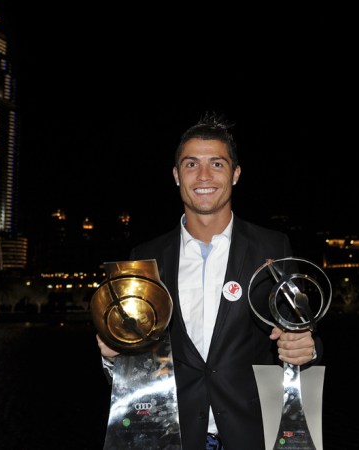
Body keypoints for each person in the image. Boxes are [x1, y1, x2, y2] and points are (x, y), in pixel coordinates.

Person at [96, 111, 322, 450]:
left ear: (235, 174)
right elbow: (137, 368)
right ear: (176, 175)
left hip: (252, 436)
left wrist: (309, 347)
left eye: (217, 164)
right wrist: (114, 356)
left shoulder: (272, 247)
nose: (204, 175)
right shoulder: (144, 257)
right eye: (191, 164)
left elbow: (302, 340)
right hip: (172, 437)